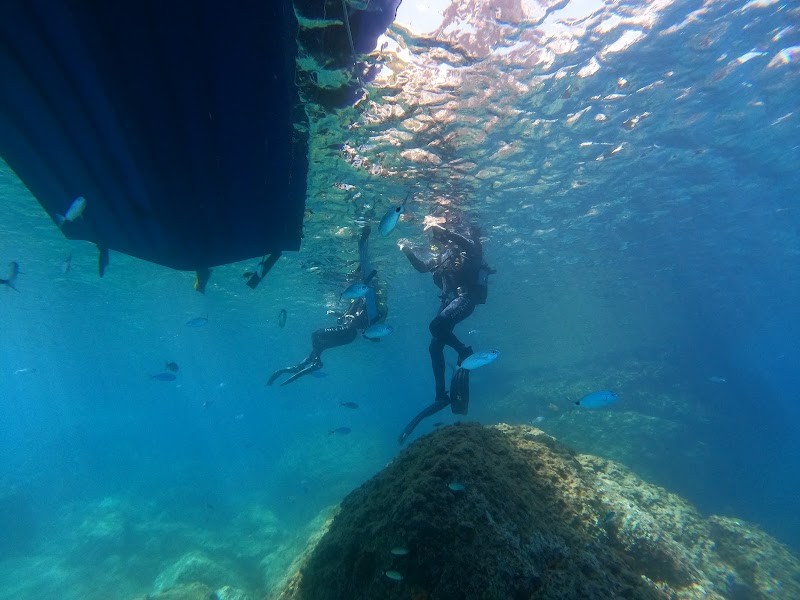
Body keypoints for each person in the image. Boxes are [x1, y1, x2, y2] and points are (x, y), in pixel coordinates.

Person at [397, 221, 490, 443]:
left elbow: (467, 242)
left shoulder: (469, 246)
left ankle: (463, 351)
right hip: (450, 301)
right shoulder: (444, 256)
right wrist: (407, 250)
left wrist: (444, 230)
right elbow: (422, 267)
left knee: (436, 327)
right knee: (434, 345)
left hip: (466, 298)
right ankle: (440, 396)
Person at [267, 226, 387, 386]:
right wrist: (340, 315)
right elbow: (350, 316)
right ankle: (303, 364)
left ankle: (315, 361)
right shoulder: (360, 300)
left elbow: (373, 323)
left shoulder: (375, 304)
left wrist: (363, 241)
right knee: (319, 345)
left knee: (316, 335)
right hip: (349, 336)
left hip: (349, 333)